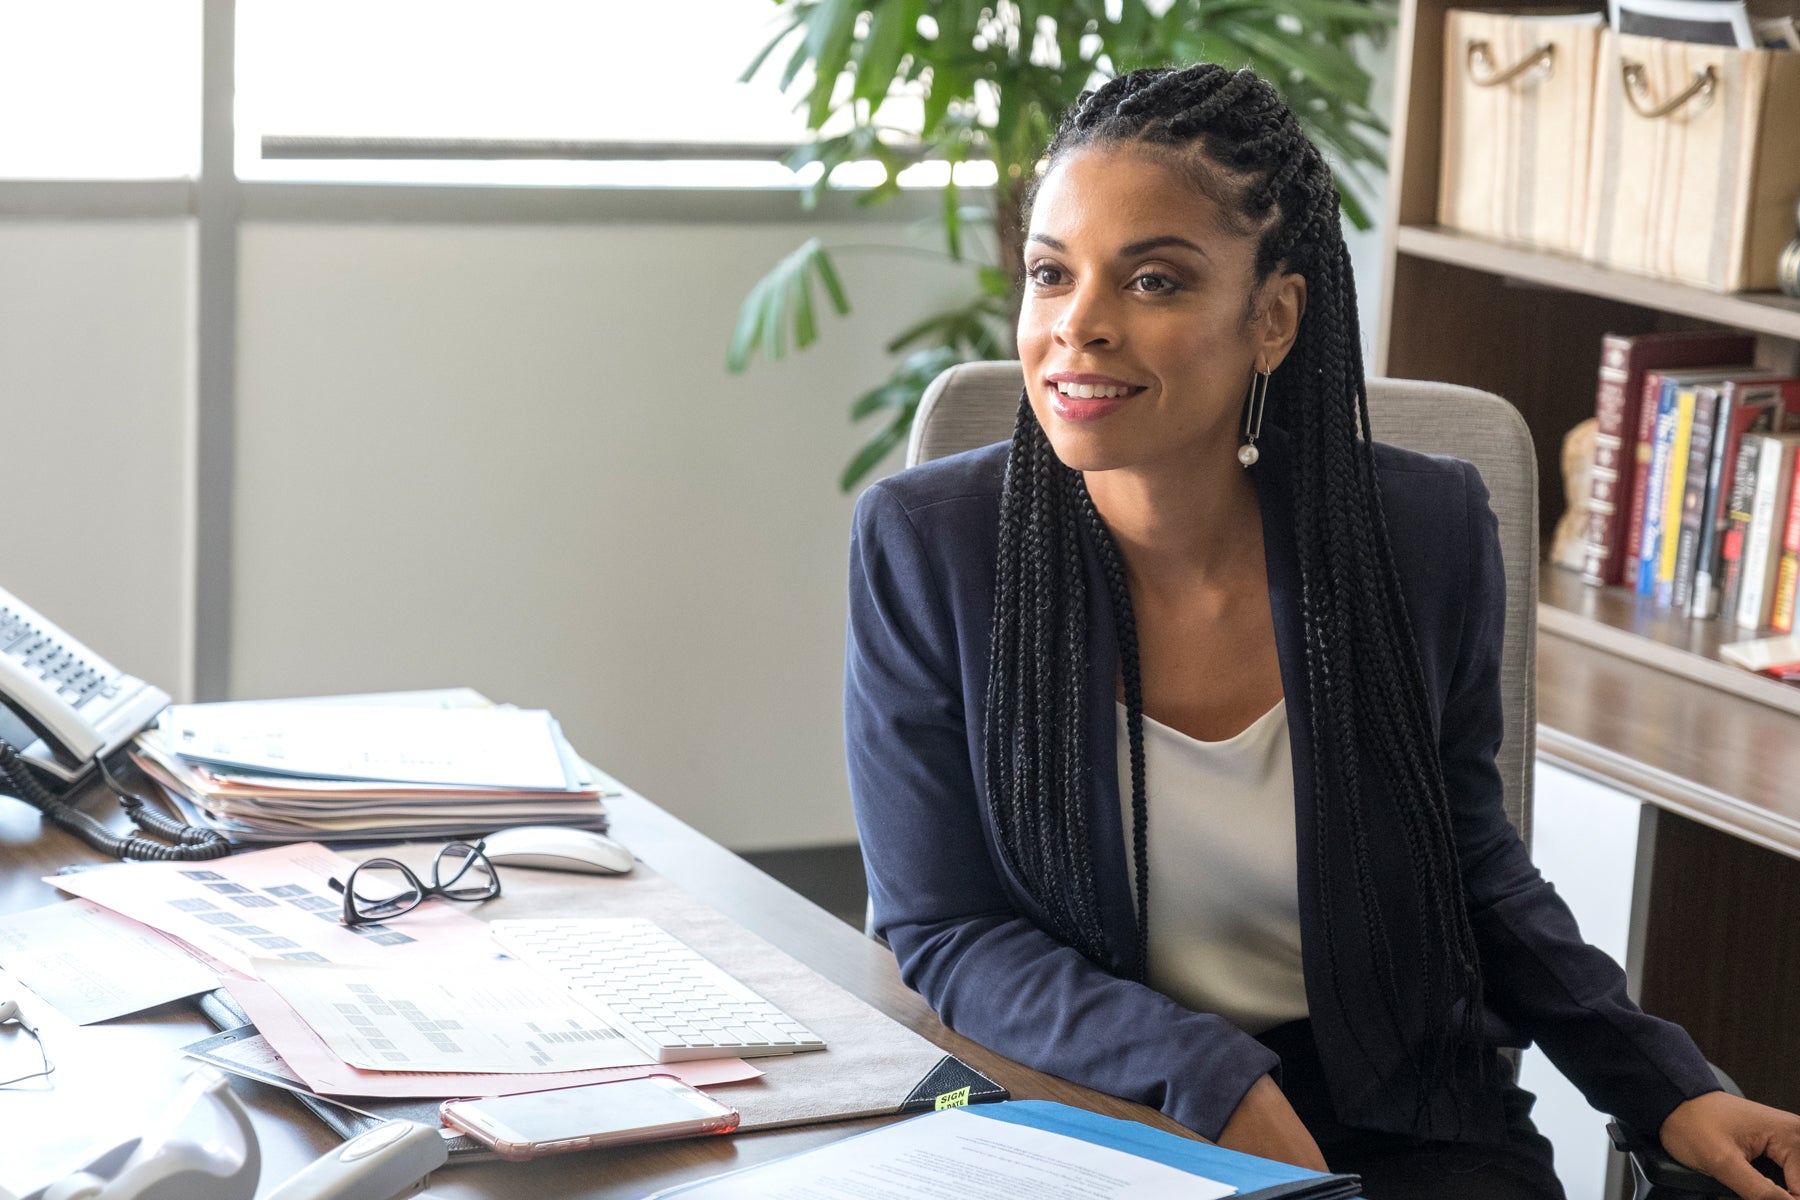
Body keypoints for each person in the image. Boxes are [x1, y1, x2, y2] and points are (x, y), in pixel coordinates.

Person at [844, 63, 1800, 1199]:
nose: (1077, 327)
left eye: (1152, 280)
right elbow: (947, 926)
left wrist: (1664, 1085)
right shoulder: (929, 542)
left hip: (1400, 1107)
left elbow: (1474, 871)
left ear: (1275, 317)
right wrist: (1212, 1079)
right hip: (1094, 1095)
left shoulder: (1421, 531)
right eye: (1052, 274)